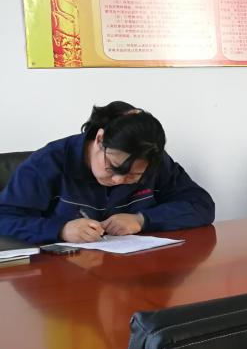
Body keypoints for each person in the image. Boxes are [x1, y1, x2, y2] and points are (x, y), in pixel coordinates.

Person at [0, 102, 214, 244]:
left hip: (136, 272)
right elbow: (5, 217)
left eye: (133, 175)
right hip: (63, 276)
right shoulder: (48, 162)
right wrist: (61, 230)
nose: (118, 180)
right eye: (113, 166)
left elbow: (201, 205)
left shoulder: (155, 162)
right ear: (100, 139)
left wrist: (142, 220)